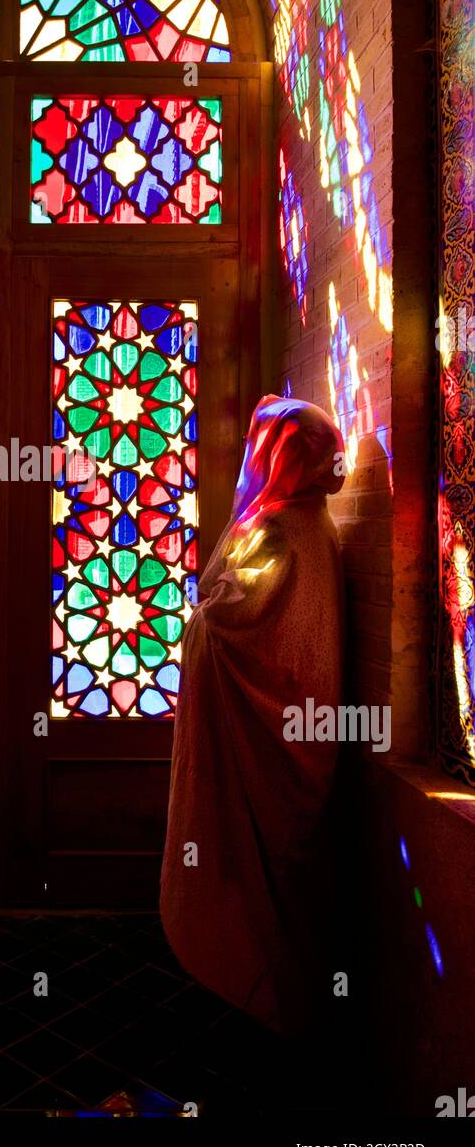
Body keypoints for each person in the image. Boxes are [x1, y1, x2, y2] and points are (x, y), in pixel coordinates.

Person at [160, 395, 346, 1036]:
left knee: (255, 877)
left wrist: (203, 616)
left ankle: (262, 998)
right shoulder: (309, 524)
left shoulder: (281, 530)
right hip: (297, 734)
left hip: (270, 736)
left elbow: (228, 617)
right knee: (283, 882)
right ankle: (278, 998)